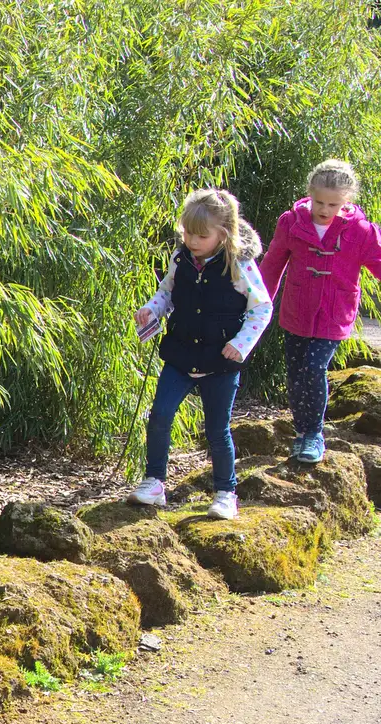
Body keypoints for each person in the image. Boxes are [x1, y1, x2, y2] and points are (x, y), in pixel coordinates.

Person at [130, 189, 272, 519]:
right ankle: (154, 482)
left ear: (224, 234)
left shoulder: (239, 265)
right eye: (187, 233)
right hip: (180, 355)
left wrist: (240, 344)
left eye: (201, 235)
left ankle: (225, 492)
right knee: (160, 415)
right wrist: (151, 311)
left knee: (216, 429)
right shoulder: (181, 259)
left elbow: (261, 308)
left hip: (220, 362)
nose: (192, 240)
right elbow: (167, 292)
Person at [258, 159, 381, 463]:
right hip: (297, 311)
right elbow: (272, 263)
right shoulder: (291, 223)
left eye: (332, 204)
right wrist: (258, 302)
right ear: (309, 194)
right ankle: (300, 431)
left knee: (314, 366)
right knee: (295, 374)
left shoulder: (359, 231)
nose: (324, 209)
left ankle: (314, 434)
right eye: (319, 202)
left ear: (346, 202)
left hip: (333, 314)